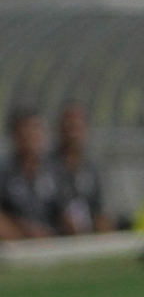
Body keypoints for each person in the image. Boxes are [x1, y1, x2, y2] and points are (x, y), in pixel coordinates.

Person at [0, 111, 61, 240]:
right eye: (26, 132)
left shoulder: (54, 169)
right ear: (15, 136)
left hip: (50, 240)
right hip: (16, 242)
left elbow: (67, 207)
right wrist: (23, 232)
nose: (32, 137)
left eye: (36, 130)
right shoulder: (5, 171)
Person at [51, 102, 112, 234]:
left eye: (76, 126)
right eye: (68, 126)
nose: (72, 133)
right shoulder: (47, 166)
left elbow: (98, 208)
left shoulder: (92, 167)